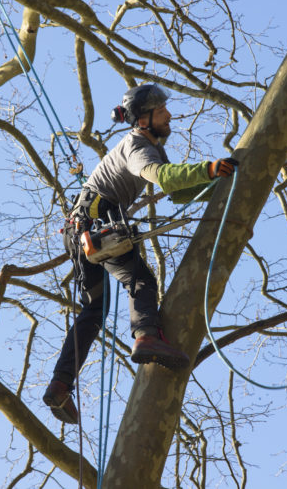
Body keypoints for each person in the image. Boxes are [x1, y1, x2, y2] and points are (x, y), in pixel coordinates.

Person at [43, 84, 238, 424]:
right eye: (162, 111)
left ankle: (60, 385)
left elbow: (178, 193)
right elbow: (161, 178)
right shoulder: (137, 146)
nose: (170, 116)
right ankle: (146, 336)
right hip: (93, 225)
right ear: (144, 119)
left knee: (95, 310)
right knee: (141, 279)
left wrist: (217, 184)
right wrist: (208, 169)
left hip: (81, 230)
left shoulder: (149, 147)